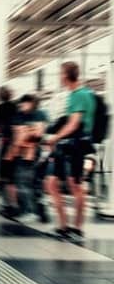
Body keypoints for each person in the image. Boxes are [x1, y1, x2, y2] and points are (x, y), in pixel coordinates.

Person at [43, 62, 96, 240]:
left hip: (75, 146)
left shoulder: (78, 94)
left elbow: (74, 123)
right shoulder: (85, 93)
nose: (59, 76)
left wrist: (54, 137)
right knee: (52, 183)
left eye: (60, 73)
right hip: (69, 145)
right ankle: (64, 226)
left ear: (66, 75)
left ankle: (77, 228)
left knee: (76, 186)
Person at [1, 94, 48, 219]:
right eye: (21, 104)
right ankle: (32, 210)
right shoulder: (19, 116)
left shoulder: (39, 114)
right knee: (23, 181)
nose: (22, 106)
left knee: (26, 181)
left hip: (32, 154)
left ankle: (30, 211)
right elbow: (18, 137)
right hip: (21, 153)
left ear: (32, 103)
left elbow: (38, 134)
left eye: (25, 103)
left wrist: (27, 134)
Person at [0, 86, 17, 196]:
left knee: (3, 173)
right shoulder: (15, 106)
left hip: (5, 142)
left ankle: (7, 201)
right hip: (16, 142)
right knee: (12, 174)